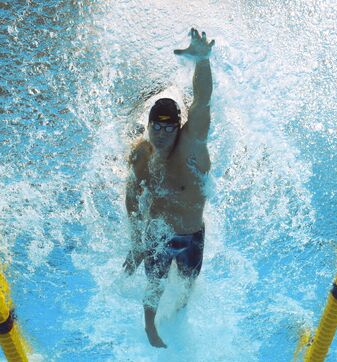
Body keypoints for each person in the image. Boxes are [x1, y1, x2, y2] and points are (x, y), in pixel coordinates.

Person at [123, 28, 214, 348]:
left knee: (189, 283)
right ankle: (150, 327)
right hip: (158, 232)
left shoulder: (191, 145)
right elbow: (132, 199)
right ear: (147, 126)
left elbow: (202, 102)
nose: (161, 134)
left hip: (191, 234)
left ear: (179, 127)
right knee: (154, 284)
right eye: (156, 127)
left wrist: (202, 61)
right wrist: (136, 243)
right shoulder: (141, 154)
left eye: (169, 127)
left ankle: (181, 310)